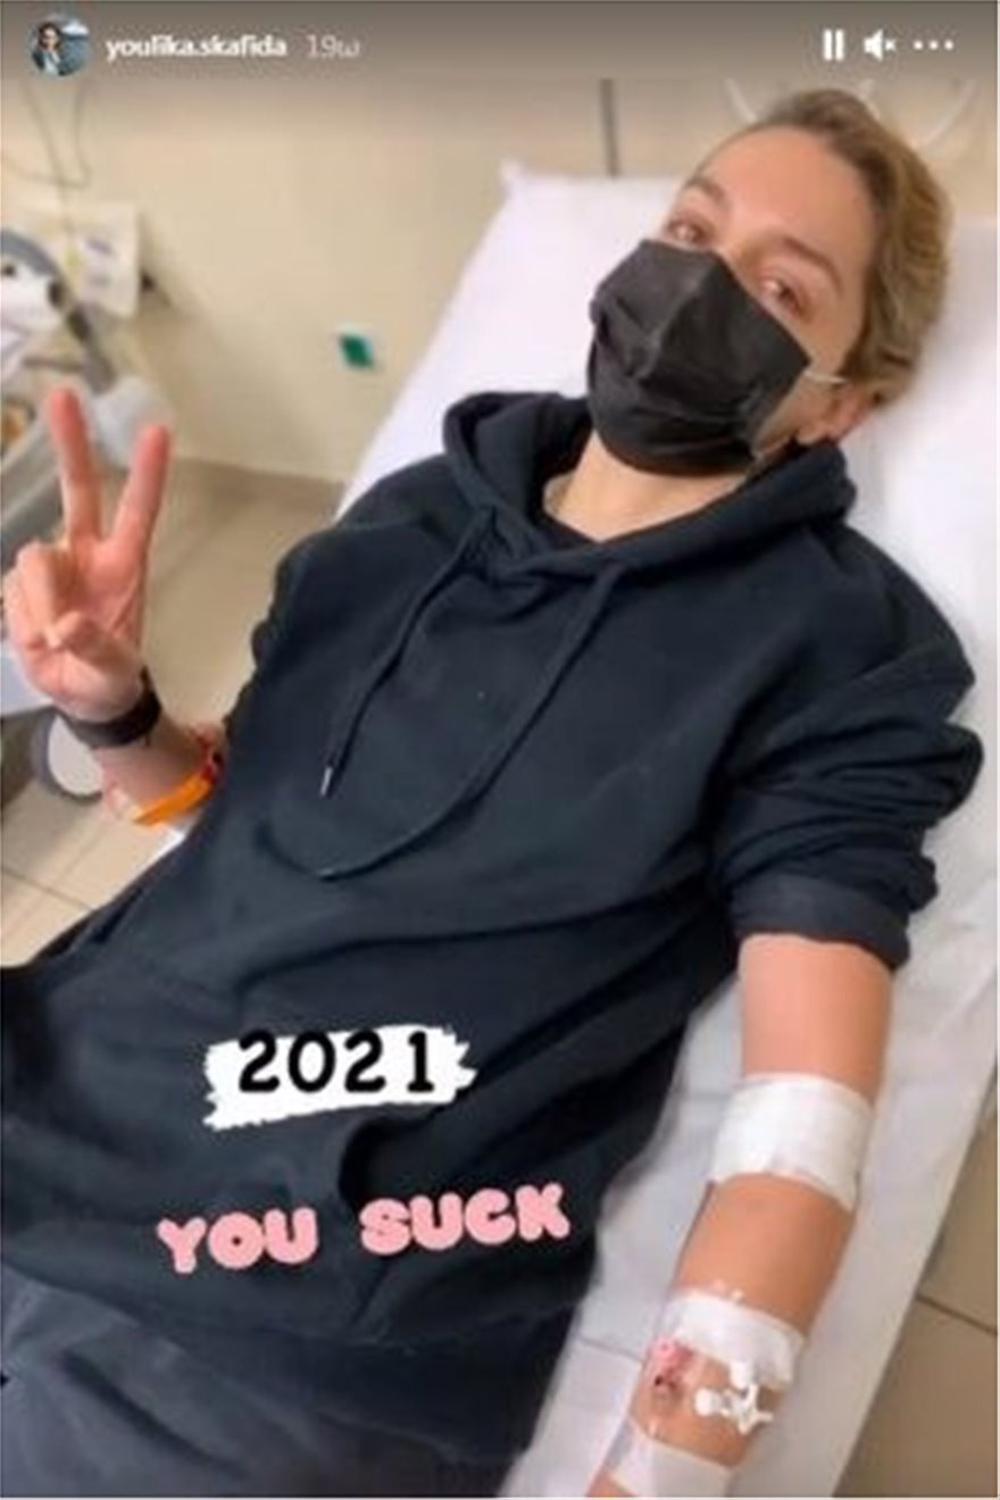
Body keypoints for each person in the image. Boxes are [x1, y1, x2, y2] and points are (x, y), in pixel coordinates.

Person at [1, 88, 984, 1498]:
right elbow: (236, 802)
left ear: (838, 402)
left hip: (280, 1320)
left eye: (782, 288)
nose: (700, 290)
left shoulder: (836, 652)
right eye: (690, 232)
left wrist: (664, 1479)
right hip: (53, 1075)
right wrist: (114, 708)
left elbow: (804, 1124)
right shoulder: (415, 515)